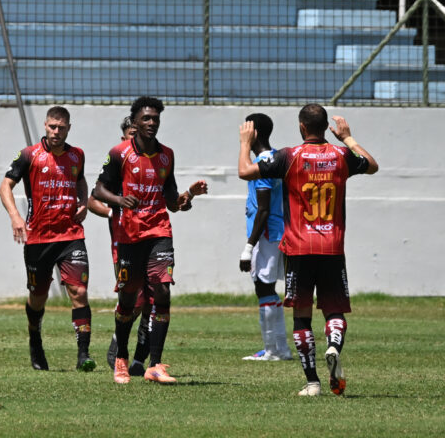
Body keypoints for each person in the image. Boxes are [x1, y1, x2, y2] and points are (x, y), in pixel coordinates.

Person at [238, 104, 378, 397]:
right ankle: (333, 346)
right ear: (327, 126)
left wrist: (243, 144)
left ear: (302, 127)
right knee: (334, 310)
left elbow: (244, 171)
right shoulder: (341, 156)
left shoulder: (288, 156)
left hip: (299, 248)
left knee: (302, 316)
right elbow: (372, 164)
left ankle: (313, 382)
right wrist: (348, 138)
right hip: (332, 247)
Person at [93, 97, 208, 384]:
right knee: (129, 299)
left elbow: (171, 202)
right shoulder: (119, 153)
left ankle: (155, 365)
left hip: (159, 231)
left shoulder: (167, 155)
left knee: (162, 292)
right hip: (129, 235)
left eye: (155, 118)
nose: (151, 123)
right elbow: (98, 190)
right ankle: (121, 358)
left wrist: (189, 196)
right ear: (134, 122)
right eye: (146, 118)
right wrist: (119, 199)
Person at [0, 106, 96, 372]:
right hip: (38, 239)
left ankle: (83, 354)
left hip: (71, 236)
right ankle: (35, 341)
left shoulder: (77, 155)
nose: (56, 132)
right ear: (45, 126)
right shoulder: (29, 155)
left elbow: (81, 180)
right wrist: (15, 217)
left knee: (79, 291)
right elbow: (5, 185)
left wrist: (84, 202)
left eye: (61, 127)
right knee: (37, 297)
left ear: (68, 128)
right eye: (52, 126)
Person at [88, 117, 152, 376]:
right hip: (123, 241)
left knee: (151, 298)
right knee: (132, 298)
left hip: (151, 238)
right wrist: (113, 211)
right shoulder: (118, 162)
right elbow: (93, 198)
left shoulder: (152, 161)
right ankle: (119, 341)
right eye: (129, 133)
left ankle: (139, 359)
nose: (132, 138)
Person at [238, 113, 292, 361]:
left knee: (263, 286)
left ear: (254, 132)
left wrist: (248, 247)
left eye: (246, 129)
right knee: (267, 287)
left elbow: (263, 208)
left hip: (267, 233)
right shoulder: (276, 157)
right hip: (276, 231)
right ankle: (278, 348)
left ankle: (274, 350)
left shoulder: (263, 162)